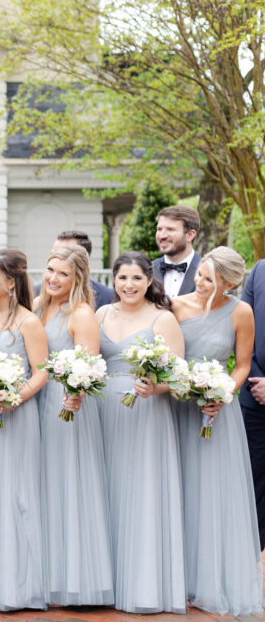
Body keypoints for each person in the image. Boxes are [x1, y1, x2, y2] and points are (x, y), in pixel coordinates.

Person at [169, 247, 261, 616]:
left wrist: (223, 392)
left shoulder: (241, 312)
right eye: (200, 275)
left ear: (232, 283)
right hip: (177, 407)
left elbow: (240, 364)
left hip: (216, 412)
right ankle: (176, 578)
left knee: (210, 492)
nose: (200, 282)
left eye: (210, 279)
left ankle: (208, 579)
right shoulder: (176, 307)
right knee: (178, 487)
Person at [96, 251, 185, 613]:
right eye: (122, 278)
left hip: (146, 412)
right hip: (103, 409)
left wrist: (156, 388)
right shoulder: (101, 314)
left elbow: (178, 374)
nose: (128, 285)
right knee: (107, 491)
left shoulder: (162, 319)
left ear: (149, 280)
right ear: (113, 281)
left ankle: (143, 585)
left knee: (141, 490)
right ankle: (106, 582)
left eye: (136, 278)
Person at [33, 245, 113, 606]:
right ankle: (43, 572)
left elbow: (90, 364)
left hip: (66, 405)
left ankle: (76, 579)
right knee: (43, 486)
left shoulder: (80, 313)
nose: (53, 278)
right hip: (34, 401)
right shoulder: (38, 306)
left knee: (69, 484)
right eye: (50, 270)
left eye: (62, 273)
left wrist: (76, 392)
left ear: (77, 277)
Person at [0, 248, 49, 611]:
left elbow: (42, 371)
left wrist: (15, 397)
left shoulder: (27, 322)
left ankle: (17, 585)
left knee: (14, 494)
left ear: (9, 281)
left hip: (16, 417)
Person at [240, 258, 265, 550]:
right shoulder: (259, 270)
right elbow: (245, 333)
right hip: (255, 397)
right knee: (253, 481)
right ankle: (249, 556)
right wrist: (258, 380)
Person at [32, 231, 114, 308]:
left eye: (64, 254)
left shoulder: (107, 297)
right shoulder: (35, 293)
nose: (56, 259)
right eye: (53, 254)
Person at [151, 205, 201, 299]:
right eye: (159, 229)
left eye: (170, 229)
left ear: (190, 235)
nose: (162, 236)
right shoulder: (146, 271)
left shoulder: (212, 273)